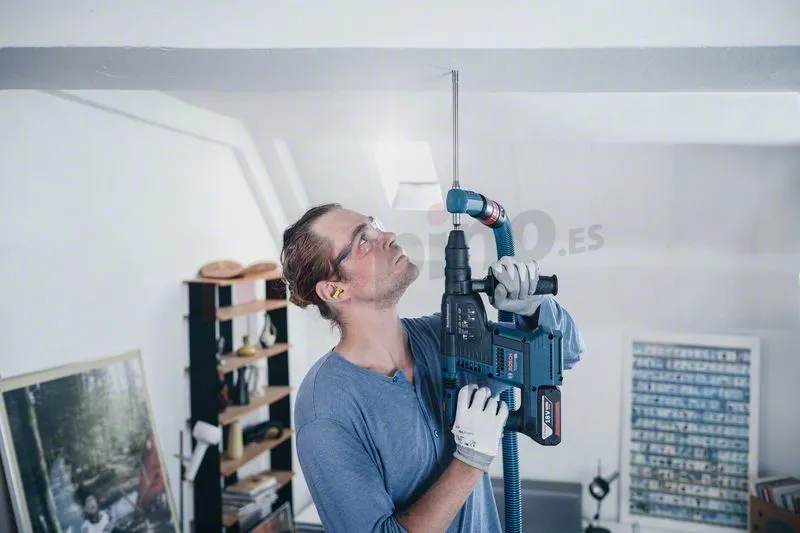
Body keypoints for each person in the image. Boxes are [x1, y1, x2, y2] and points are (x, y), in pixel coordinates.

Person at [282, 204, 585, 533]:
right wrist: (470, 461)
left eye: (375, 226)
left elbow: (566, 353)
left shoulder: (446, 337)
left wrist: (533, 308)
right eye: (363, 240)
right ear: (334, 290)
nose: (388, 235)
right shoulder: (326, 408)